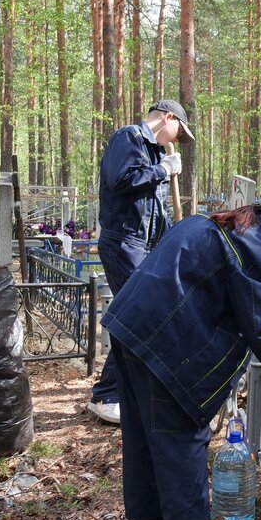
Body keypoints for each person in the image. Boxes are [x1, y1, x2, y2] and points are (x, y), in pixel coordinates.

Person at [100, 190, 261, 520]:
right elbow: (258, 325)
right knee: (181, 433)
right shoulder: (251, 249)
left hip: (129, 325)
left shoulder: (214, 223)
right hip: (163, 339)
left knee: (145, 428)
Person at [88, 99, 194, 425]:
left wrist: (169, 243)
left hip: (143, 245)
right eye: (178, 131)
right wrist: (162, 170)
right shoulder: (129, 138)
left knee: (140, 315)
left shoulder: (155, 153)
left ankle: (120, 390)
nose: (177, 140)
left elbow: (155, 212)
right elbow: (121, 180)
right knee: (137, 315)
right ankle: (107, 394)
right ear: (167, 118)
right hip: (123, 241)